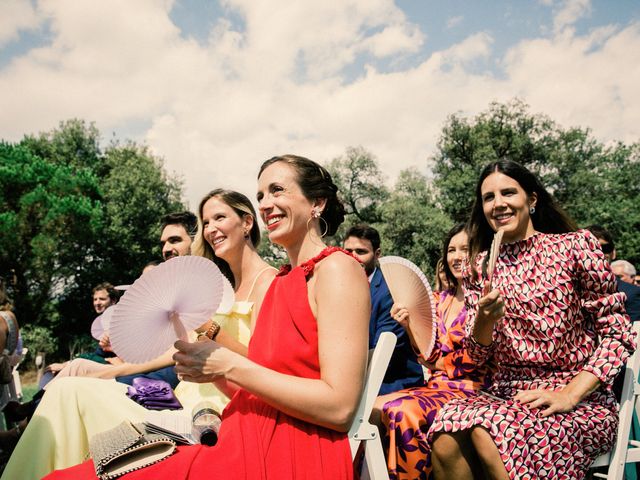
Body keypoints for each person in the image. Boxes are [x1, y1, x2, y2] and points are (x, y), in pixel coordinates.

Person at [45, 154, 370, 479]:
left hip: (291, 449)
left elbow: (339, 408)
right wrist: (211, 371)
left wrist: (228, 364)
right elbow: (263, 386)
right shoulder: (284, 281)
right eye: (260, 196)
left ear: (317, 202)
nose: (266, 204)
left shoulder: (337, 269)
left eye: (277, 190)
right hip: (241, 431)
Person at [1, 191, 276, 480]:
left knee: (71, 393)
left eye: (219, 217)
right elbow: (177, 351)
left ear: (247, 222)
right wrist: (113, 370)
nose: (210, 229)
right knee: (64, 387)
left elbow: (267, 364)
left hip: (215, 412)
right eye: (206, 222)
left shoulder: (269, 282)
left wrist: (208, 329)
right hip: (180, 400)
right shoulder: (224, 285)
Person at [430, 160, 635, 479]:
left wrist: (569, 394)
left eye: (508, 192)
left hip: (580, 397)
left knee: (492, 433)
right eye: (488, 197)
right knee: (444, 435)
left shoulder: (574, 247)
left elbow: (618, 335)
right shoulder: (481, 265)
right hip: (507, 394)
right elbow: (479, 355)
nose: (498, 203)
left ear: (532, 199)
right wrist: (484, 319)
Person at [375, 223, 489, 480]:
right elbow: (426, 355)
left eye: (465, 249)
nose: (457, 256)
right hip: (437, 387)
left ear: (481, 254)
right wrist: (408, 325)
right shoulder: (439, 300)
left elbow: (476, 357)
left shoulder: (486, 300)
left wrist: (440, 364)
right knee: (369, 408)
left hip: (475, 390)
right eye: (451, 250)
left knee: (401, 410)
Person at [343, 225, 424, 394]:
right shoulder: (339, 286)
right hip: (354, 376)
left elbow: (381, 350)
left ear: (377, 254)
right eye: (348, 251)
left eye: (361, 252)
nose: (353, 257)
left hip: (392, 381)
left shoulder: (391, 292)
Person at [587, 225, 640, 322]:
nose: (599, 253)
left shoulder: (631, 294)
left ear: (613, 252)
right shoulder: (567, 292)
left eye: (605, 248)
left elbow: (634, 334)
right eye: (591, 248)